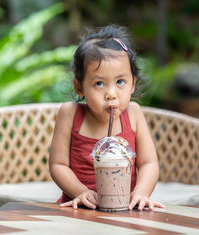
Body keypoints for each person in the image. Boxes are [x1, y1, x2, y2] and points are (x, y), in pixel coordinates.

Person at [49, 25, 164, 211]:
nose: (111, 94)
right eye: (99, 83)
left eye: (120, 82)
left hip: (124, 208)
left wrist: (142, 192)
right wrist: (80, 191)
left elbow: (149, 163)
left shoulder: (133, 113)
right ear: (79, 87)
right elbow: (58, 165)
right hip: (79, 209)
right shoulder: (70, 114)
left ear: (133, 84)